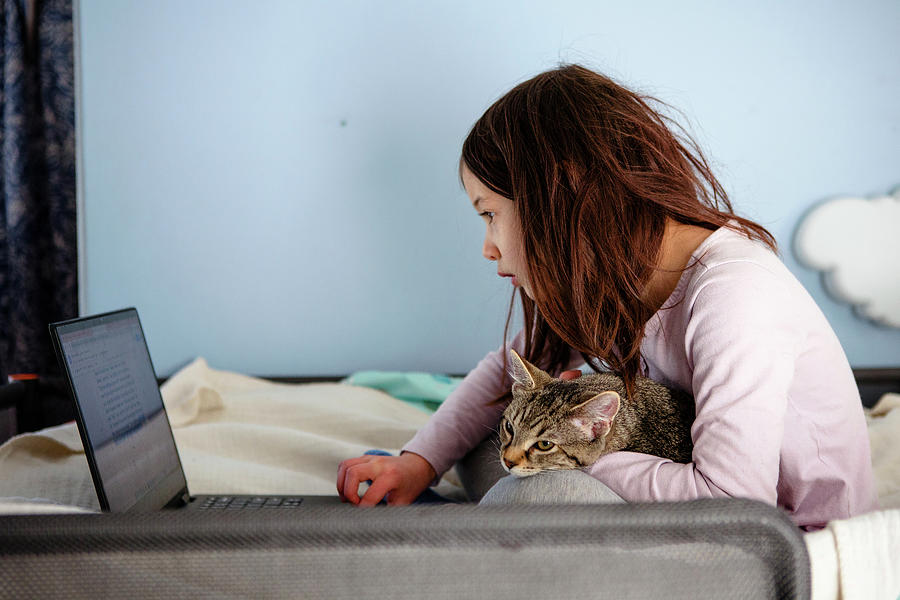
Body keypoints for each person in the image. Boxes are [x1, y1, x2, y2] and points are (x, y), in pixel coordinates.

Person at [336, 64, 879, 530]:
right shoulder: (620, 281)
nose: (486, 248)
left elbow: (732, 501)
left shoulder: (734, 295)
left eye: (490, 214)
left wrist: (589, 461)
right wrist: (417, 463)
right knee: (497, 441)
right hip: (688, 486)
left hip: (779, 536)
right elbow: (508, 369)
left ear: (559, 199)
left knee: (542, 489)